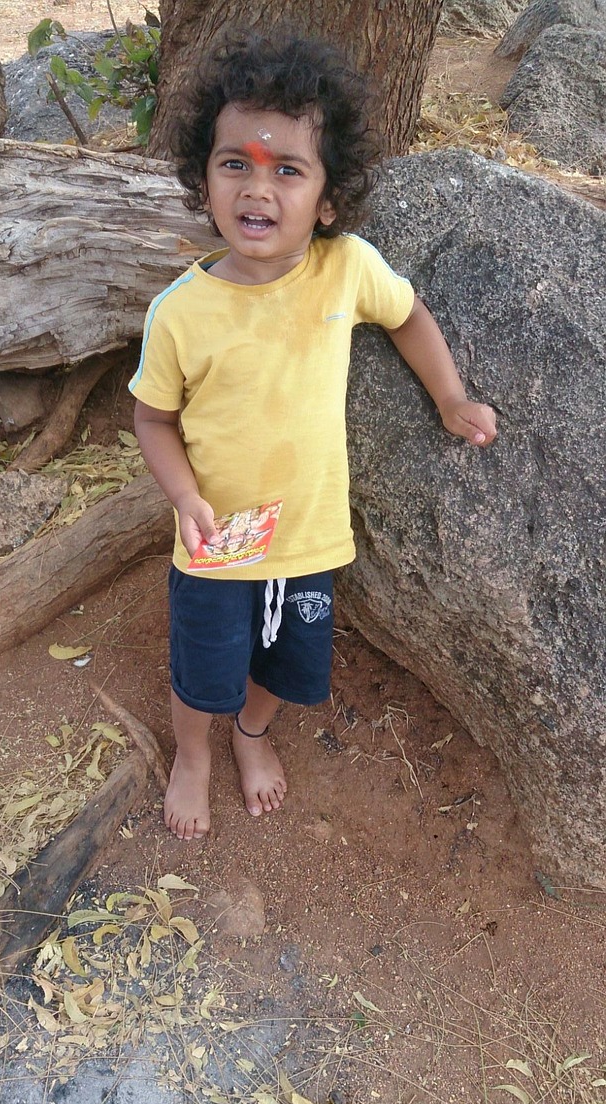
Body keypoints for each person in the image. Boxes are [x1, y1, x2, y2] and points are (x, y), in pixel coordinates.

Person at [130, 31, 497, 840]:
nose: (258, 187)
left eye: (287, 169)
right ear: (204, 178)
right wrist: (184, 496)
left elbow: (407, 316)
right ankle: (195, 752)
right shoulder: (180, 314)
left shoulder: (347, 267)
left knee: (287, 670)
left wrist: (449, 398)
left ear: (328, 199)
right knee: (204, 671)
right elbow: (152, 418)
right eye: (236, 163)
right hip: (216, 542)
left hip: (308, 540)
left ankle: (250, 736)